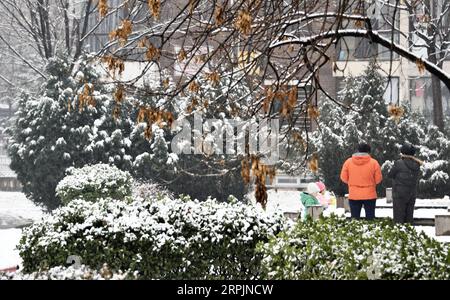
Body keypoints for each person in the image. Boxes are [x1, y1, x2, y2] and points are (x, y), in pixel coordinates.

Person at [340, 142, 382, 220]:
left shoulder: (348, 162)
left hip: (354, 194)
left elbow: (343, 177)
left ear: (358, 150)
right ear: (369, 151)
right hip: (370, 194)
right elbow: (378, 179)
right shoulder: (374, 163)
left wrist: (352, 183)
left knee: (355, 219)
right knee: (370, 218)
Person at [388, 143, 422, 224]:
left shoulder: (398, 163)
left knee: (398, 219)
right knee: (409, 217)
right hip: (411, 193)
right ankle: (409, 233)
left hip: (399, 194)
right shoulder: (417, 164)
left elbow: (390, 175)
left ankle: (399, 235)